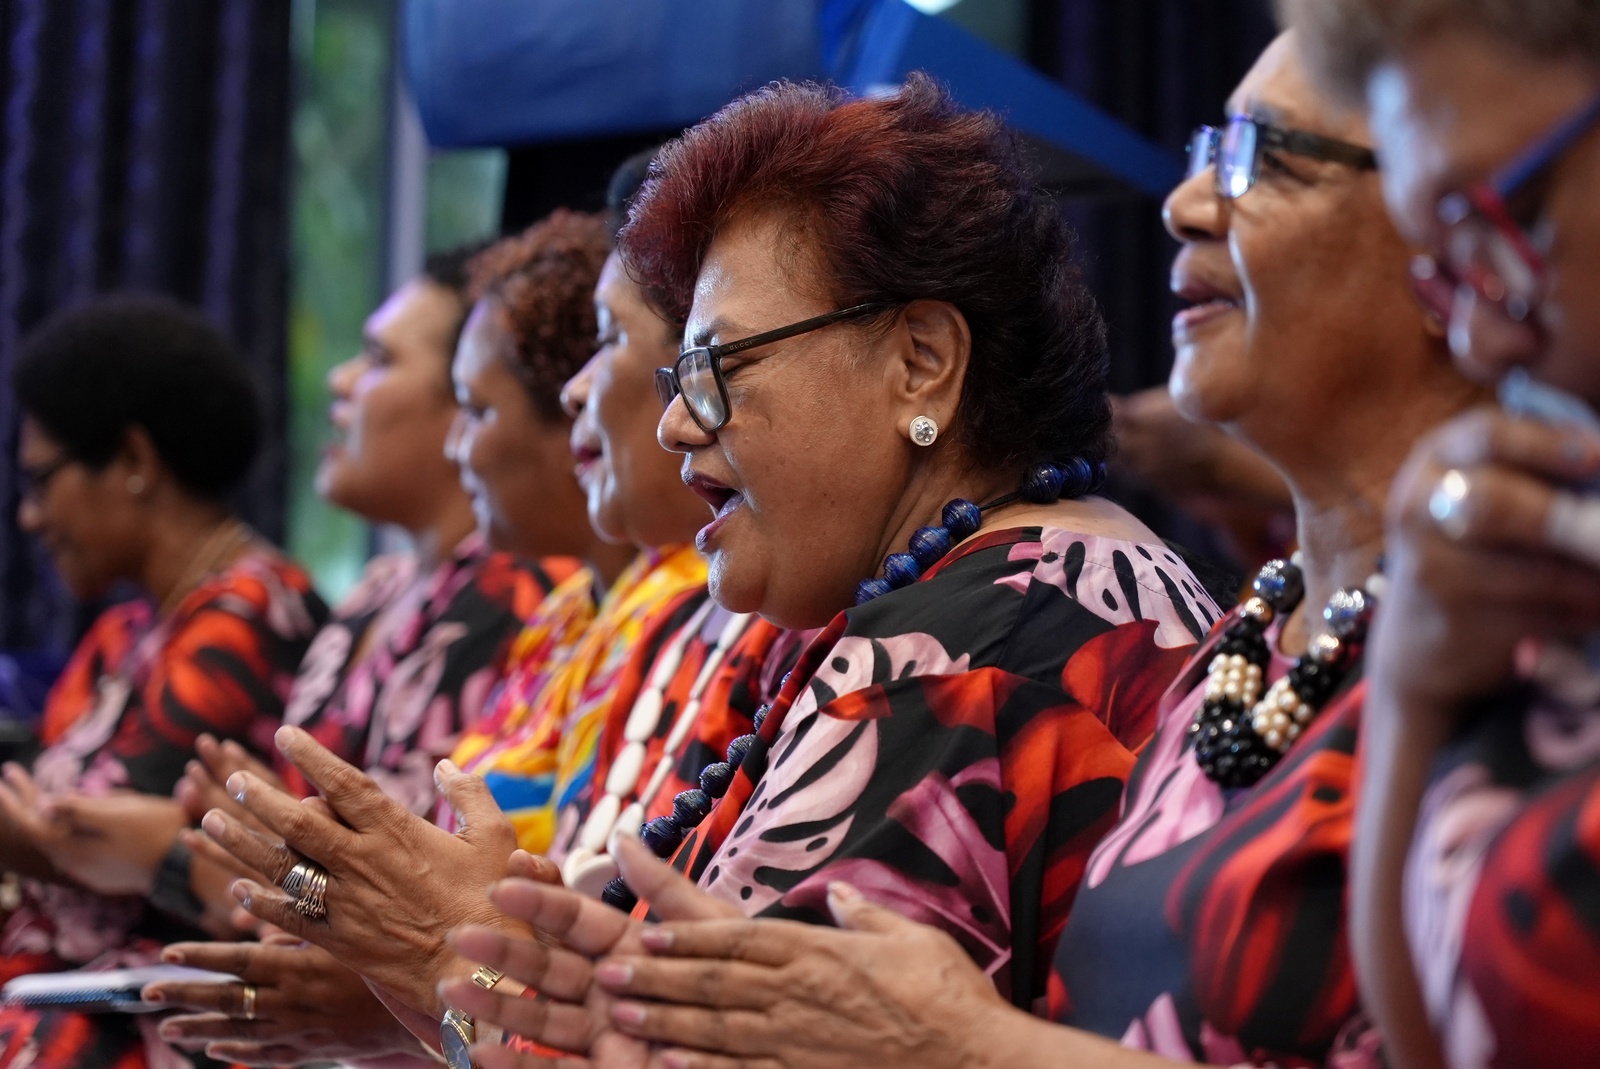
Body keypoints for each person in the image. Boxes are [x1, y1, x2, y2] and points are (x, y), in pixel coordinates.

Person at [435, 34, 1486, 1069]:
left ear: (922, 363)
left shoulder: (974, 644)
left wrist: (449, 956)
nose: (1184, 202)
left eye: (716, 367)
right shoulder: (1245, 635)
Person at [166, 195, 727, 1054]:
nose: (579, 388)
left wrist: (419, 979)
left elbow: (589, 941)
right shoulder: (569, 618)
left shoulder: (655, 601)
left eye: (477, 407)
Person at [1279, 3, 1600, 1068]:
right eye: (1448, 261)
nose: (1477, 335)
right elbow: (1428, 1032)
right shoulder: (1538, 547)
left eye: (1511, 215)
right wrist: (1412, 695)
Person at [0, 295, 328, 1068]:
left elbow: (85, 838)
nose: (29, 517)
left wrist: (38, 838)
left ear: (136, 463)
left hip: (148, 1016)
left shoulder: (250, 616)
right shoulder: (126, 632)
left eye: (42, 481)